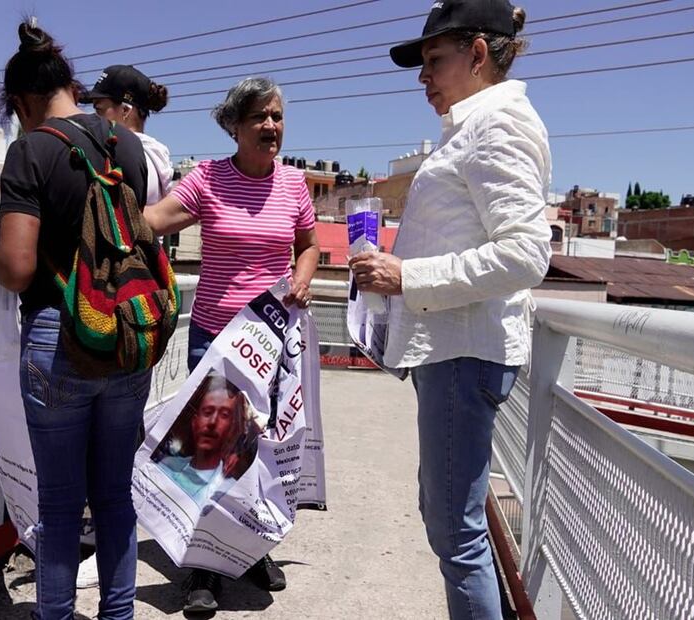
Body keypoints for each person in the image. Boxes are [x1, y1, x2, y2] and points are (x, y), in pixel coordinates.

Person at [349, 2, 551, 618]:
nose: (423, 77)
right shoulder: (474, 126)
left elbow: (524, 254)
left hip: (465, 352)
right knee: (450, 525)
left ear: (479, 54)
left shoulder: (498, 125)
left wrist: (409, 275)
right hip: (455, 350)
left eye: (434, 59)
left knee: (456, 536)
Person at [143, 76, 320, 613]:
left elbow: (308, 243)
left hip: (273, 341)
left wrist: (304, 275)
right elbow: (152, 221)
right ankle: (200, 570)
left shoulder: (295, 185)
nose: (271, 126)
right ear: (235, 126)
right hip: (216, 340)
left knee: (263, 450)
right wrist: (110, 192)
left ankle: (250, 550)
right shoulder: (209, 179)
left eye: (277, 117)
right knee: (209, 452)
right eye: (260, 118)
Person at [0, 19, 151, 620]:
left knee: (59, 507)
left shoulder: (29, 150)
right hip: (125, 338)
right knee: (114, 498)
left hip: (59, 339)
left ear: (22, 101)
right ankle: (118, 614)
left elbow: (14, 266)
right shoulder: (126, 144)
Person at [74, 63, 172, 592]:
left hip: (114, 304)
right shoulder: (156, 155)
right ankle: (108, 548)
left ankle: (102, 547)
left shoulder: (132, 153)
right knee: (120, 430)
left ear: (125, 108)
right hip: (141, 309)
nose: (95, 114)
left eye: (103, 105)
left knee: (106, 439)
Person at [153, 372, 266, 506]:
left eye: (224, 414)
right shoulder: (165, 467)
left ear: (233, 428)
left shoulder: (229, 489)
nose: (212, 422)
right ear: (194, 422)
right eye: (207, 412)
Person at [86, 64, 174, 206]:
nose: (94, 117)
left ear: (125, 110)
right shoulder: (155, 155)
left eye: (99, 110)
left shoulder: (125, 156)